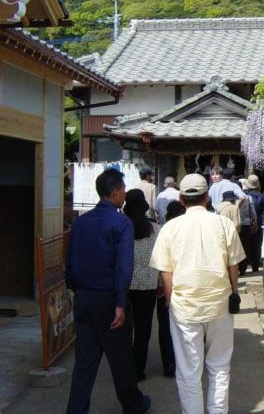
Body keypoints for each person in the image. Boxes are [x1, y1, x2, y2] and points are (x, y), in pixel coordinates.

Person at [150, 174, 245, 414]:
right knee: (219, 366)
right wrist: (234, 291)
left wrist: (170, 300)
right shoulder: (223, 224)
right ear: (206, 198)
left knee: (188, 371)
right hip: (219, 303)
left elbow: (166, 272)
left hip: (184, 306)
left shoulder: (170, 227)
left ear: (181, 199)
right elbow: (233, 265)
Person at [65, 168, 150, 414]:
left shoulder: (80, 222)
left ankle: (76, 410)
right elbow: (124, 266)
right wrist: (121, 303)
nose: (124, 193)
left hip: (84, 297)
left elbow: (70, 261)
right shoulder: (121, 223)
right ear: (115, 193)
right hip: (109, 299)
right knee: (121, 358)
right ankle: (133, 405)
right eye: (123, 189)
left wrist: (74, 289)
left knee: (85, 362)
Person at [123, 189, 159, 382]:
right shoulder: (156, 230)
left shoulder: (120, 228)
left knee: (124, 328)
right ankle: (138, 370)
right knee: (143, 329)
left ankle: (125, 367)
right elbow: (162, 259)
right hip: (148, 285)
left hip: (124, 285)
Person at [156, 200, 185, 378]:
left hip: (165, 286)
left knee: (166, 327)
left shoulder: (163, 230)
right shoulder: (188, 230)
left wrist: (164, 293)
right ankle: (184, 362)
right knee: (187, 328)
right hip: (186, 286)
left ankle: (169, 363)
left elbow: (161, 265)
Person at [244, 174, 264, 272]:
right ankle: (255, 266)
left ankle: (244, 266)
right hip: (258, 224)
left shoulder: (244, 196)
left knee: (246, 244)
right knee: (256, 245)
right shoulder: (261, 197)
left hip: (246, 224)